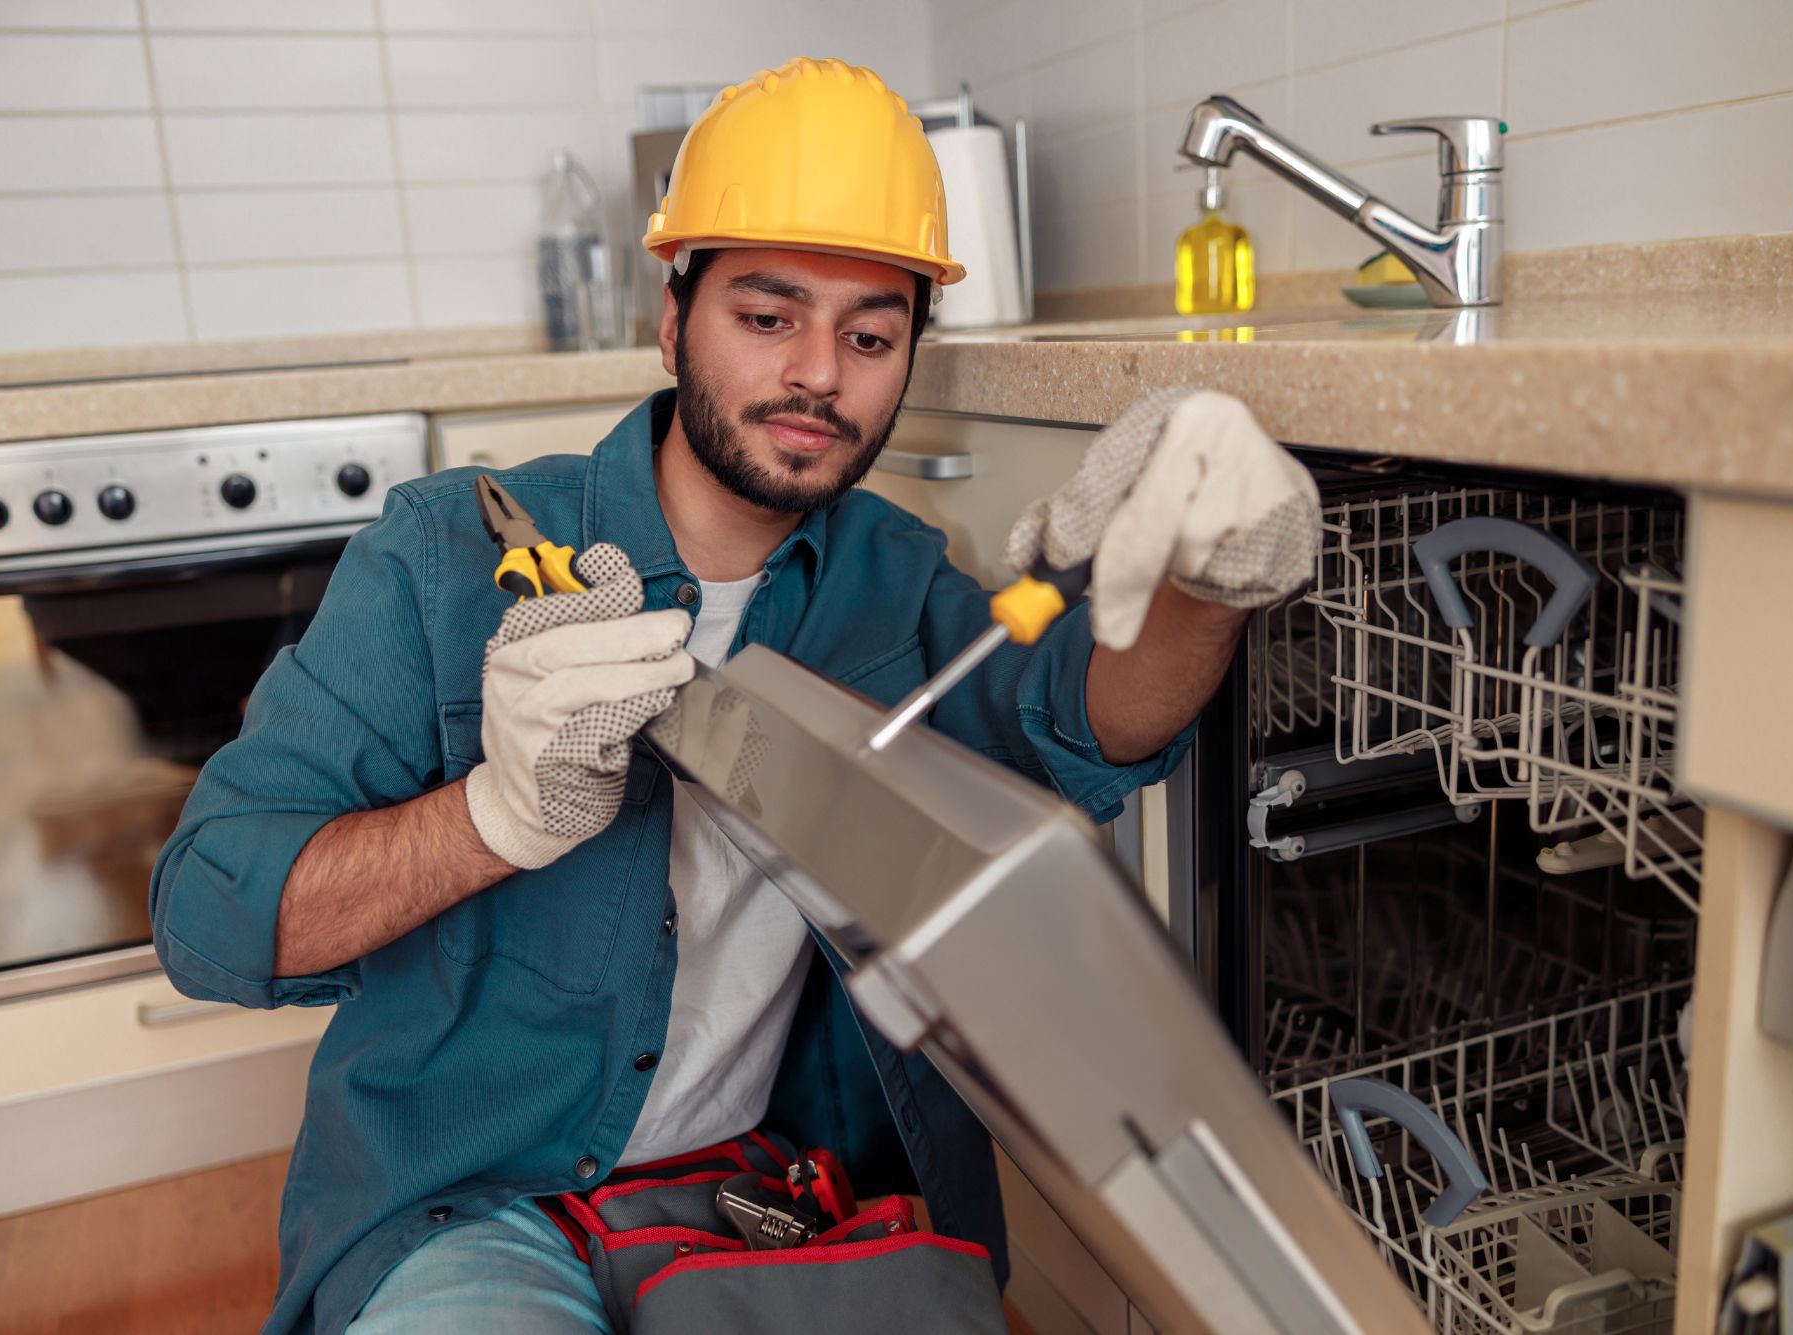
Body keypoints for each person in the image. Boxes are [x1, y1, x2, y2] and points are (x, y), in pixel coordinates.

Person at [148, 56, 1317, 1335]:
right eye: (768, 317)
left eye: (871, 335)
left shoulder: (899, 586)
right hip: (469, 1203)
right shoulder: (445, 562)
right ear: (672, 322)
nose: (820, 373)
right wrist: (491, 819)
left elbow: (1093, 725)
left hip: (791, 1191)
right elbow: (211, 919)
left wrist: (1212, 582)